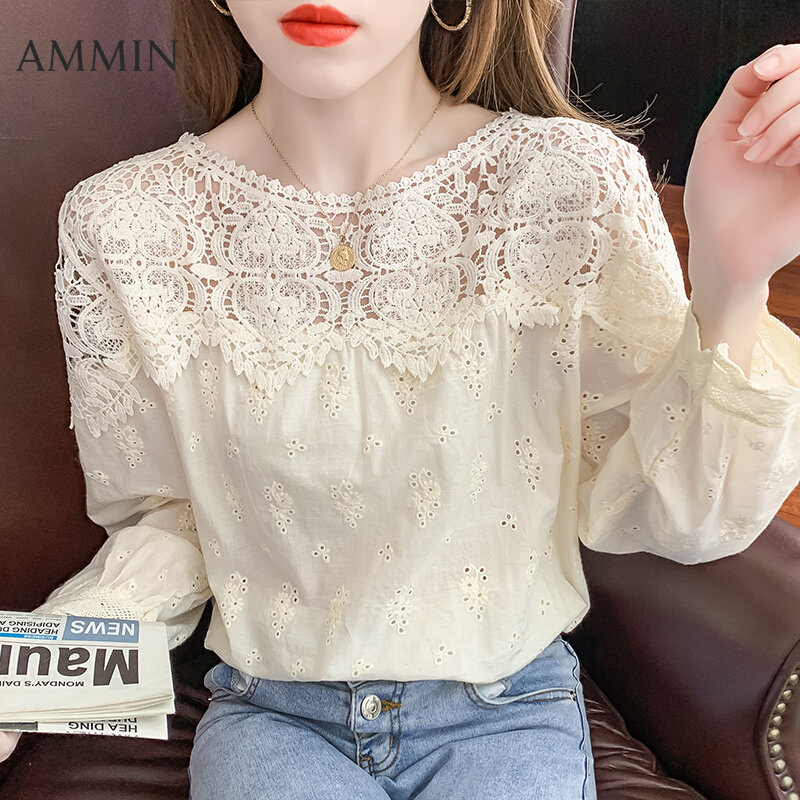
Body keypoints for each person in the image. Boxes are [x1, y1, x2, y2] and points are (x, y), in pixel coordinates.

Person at [3, 1, 800, 796]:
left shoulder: (572, 184)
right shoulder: (125, 224)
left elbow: (677, 518)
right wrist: (22, 690)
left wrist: (733, 282)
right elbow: (171, 523)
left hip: (509, 711)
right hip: (272, 715)